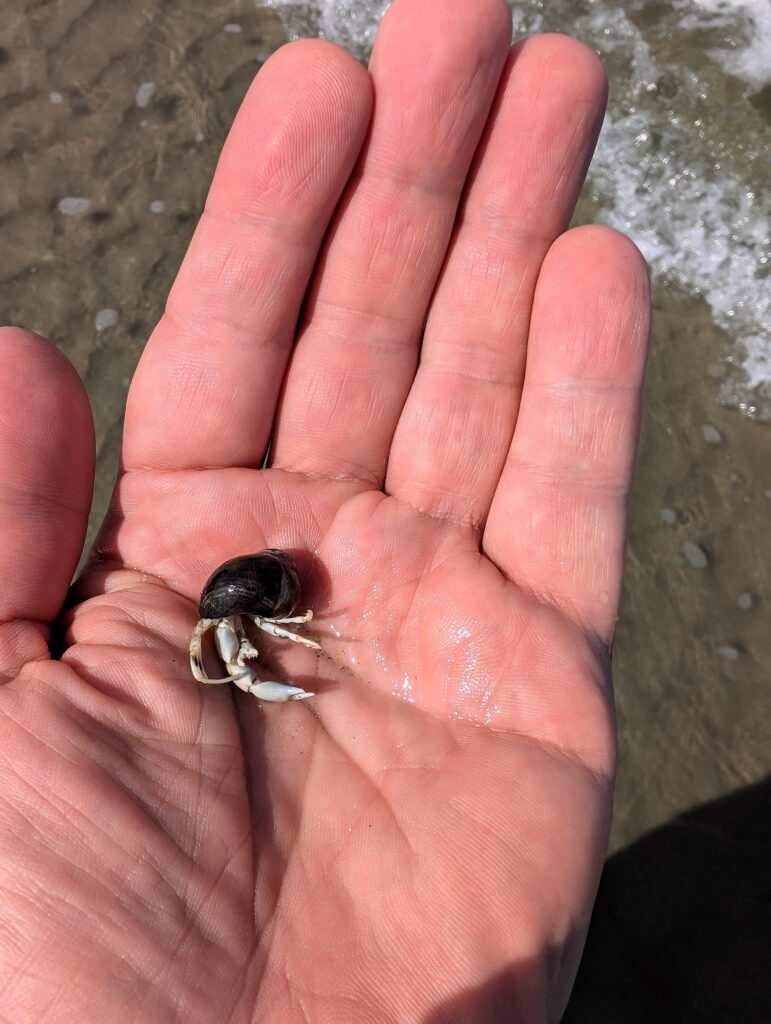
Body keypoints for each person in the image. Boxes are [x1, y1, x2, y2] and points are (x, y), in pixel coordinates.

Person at [0, 0, 649, 1019]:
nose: (225, 655)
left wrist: (268, 624)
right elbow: (239, 632)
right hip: (252, 590)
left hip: (260, 587)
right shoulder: (225, 622)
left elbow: (258, 623)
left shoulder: (242, 616)